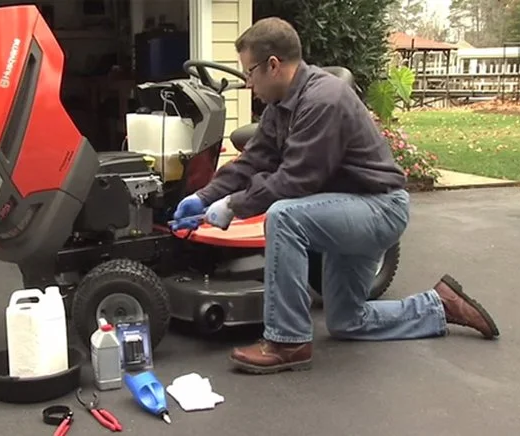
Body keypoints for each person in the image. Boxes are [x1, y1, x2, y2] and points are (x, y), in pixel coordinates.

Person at [171, 17, 500, 375]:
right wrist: (205, 196)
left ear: (274, 66)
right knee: (347, 320)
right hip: (347, 207)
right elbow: (254, 159)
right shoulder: (281, 105)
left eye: (250, 72)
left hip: (379, 208)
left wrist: (232, 206)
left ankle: (287, 341)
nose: (248, 82)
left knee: (285, 215)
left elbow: (297, 179)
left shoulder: (323, 99)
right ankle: (439, 306)